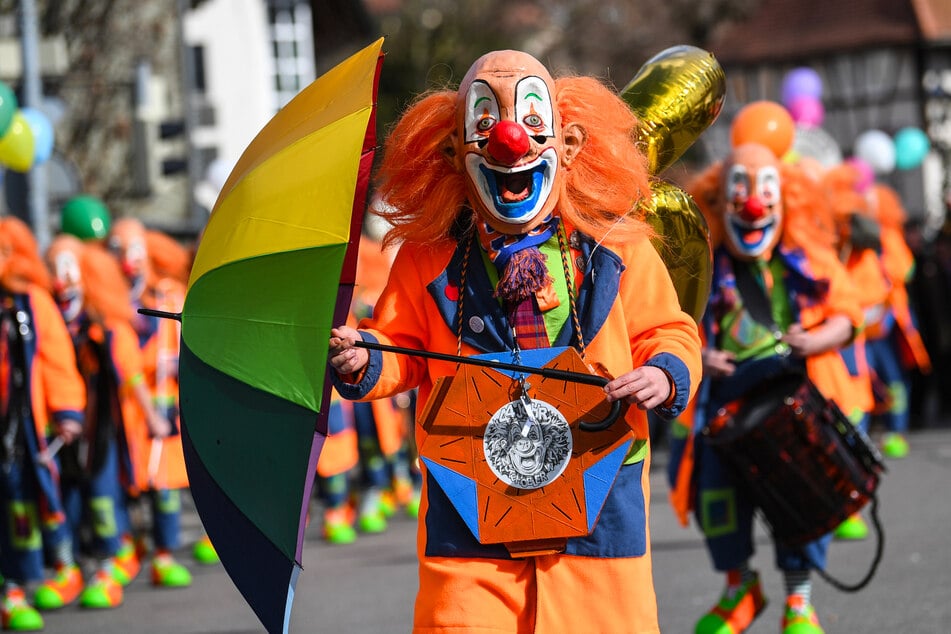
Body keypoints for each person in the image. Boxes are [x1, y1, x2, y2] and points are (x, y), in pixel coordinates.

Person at [328, 50, 702, 632]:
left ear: (569, 144)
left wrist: (664, 371)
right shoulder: (427, 260)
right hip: (474, 497)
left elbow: (669, 330)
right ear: (454, 152)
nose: (509, 141)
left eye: (532, 122)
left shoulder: (616, 246)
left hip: (594, 492)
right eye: (485, 125)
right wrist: (362, 359)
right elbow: (395, 346)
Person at [675, 137, 865, 634]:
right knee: (717, 498)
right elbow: (671, 325)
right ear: (718, 202)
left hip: (791, 400)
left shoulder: (807, 258)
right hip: (725, 406)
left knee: (800, 494)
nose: (752, 204)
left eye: (764, 189)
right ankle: (740, 588)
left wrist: (817, 338)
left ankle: (799, 602)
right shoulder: (704, 265)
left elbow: (848, 314)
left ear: (786, 197)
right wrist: (699, 354)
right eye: (740, 189)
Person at [44, 235, 177, 608]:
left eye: (70, 271)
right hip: (73, 432)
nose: (62, 282)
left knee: (106, 498)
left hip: (113, 433)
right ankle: (69, 568)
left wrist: (152, 417)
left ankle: (114, 561)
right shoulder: (57, 325)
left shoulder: (110, 330)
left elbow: (131, 376)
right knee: (68, 501)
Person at [0, 218, 86, 631]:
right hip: (5, 427)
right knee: (12, 505)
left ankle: (64, 568)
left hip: (31, 425)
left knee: (47, 499)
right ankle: (15, 582)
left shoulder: (34, 301)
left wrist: (67, 412)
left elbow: (55, 360)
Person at [106, 218, 198, 587]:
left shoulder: (169, 295)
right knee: (126, 483)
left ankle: (163, 554)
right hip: (124, 411)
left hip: (165, 407)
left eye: (133, 250)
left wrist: (176, 360)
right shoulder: (110, 303)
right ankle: (130, 547)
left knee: (165, 484)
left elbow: (188, 340)